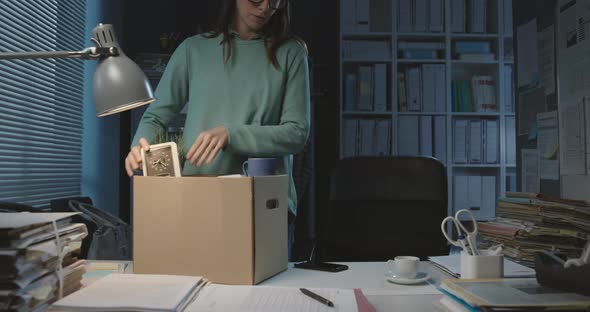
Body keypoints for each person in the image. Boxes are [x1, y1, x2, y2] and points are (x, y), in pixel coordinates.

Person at [124, 0, 310, 258]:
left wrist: (230, 134)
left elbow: (296, 133)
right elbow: (156, 116)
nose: (265, 8)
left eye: (275, 1)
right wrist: (139, 146)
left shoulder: (291, 53)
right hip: (199, 199)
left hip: (262, 204)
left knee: (264, 295)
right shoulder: (193, 50)